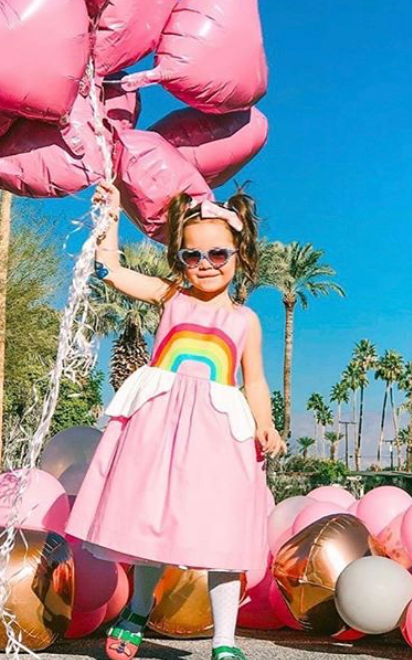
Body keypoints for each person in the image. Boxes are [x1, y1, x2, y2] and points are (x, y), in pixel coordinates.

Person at [65, 180, 286, 660]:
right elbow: (110, 271)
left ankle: (224, 640)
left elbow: (254, 381)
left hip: (219, 433)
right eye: (192, 255)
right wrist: (111, 214)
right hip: (159, 427)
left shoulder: (246, 320)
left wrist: (266, 423)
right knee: (151, 521)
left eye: (218, 254)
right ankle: (139, 609)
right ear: (179, 258)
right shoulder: (171, 298)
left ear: (240, 255)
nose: (205, 264)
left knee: (223, 530)